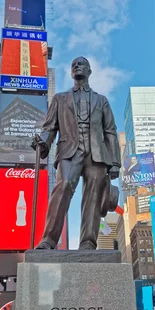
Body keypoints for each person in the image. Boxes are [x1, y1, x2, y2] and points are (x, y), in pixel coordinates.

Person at [32, 57, 121, 250]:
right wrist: (43, 142)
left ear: (89, 71)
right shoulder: (60, 99)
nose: (76, 66)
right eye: (73, 65)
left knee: (94, 196)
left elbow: (110, 131)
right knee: (63, 187)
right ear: (71, 72)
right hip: (69, 150)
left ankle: (88, 242)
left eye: (81, 64)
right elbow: (49, 128)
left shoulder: (101, 100)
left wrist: (115, 162)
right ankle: (48, 239)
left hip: (97, 154)